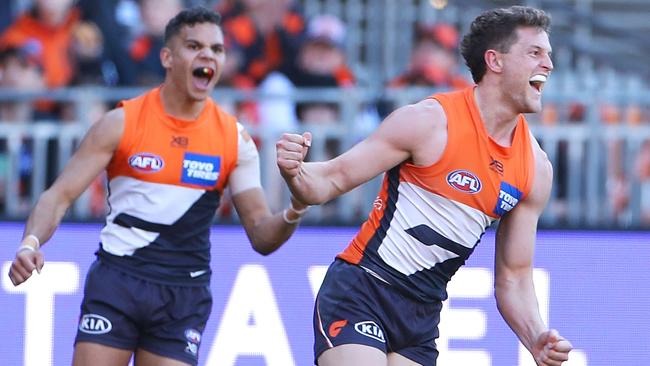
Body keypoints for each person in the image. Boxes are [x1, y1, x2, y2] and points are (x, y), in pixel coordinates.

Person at [8, 6, 308, 366]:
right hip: (118, 279)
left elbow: (261, 235)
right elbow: (58, 196)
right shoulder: (121, 122)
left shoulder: (235, 140)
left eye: (217, 49)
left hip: (184, 292)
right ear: (167, 56)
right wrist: (30, 243)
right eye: (194, 45)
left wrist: (295, 207)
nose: (207, 55)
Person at [276, 6, 573, 366]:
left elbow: (513, 278)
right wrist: (297, 170)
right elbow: (327, 182)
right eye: (535, 53)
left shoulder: (535, 168)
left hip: (421, 319)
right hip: (362, 289)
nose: (548, 65)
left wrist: (535, 337)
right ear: (495, 61)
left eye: (549, 55)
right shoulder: (429, 123)